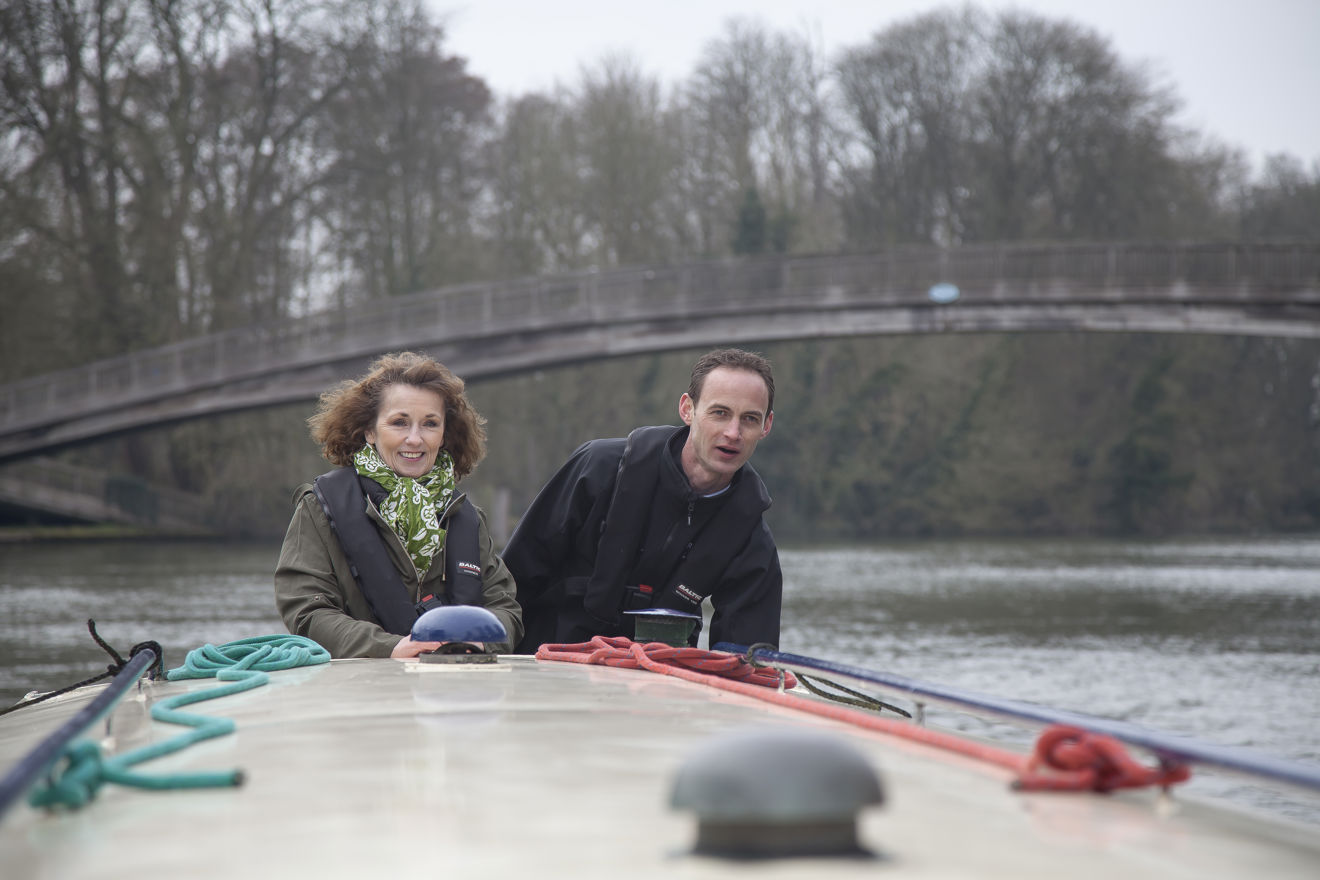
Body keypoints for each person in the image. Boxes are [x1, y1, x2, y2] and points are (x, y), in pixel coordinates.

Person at [503, 348, 781, 652]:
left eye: (750, 419)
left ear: (766, 427)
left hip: (653, 684)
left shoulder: (751, 539)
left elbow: (748, 658)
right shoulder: (598, 469)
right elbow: (513, 580)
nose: (733, 433)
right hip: (542, 666)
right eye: (720, 413)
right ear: (688, 409)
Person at [275, 352, 523, 658]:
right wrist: (392, 647)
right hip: (360, 687)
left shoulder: (467, 518)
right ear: (369, 431)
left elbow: (505, 608)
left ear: (445, 435)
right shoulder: (318, 509)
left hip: (459, 683)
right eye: (399, 423)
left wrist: (482, 642)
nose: (415, 439)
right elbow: (307, 612)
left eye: (430, 424)